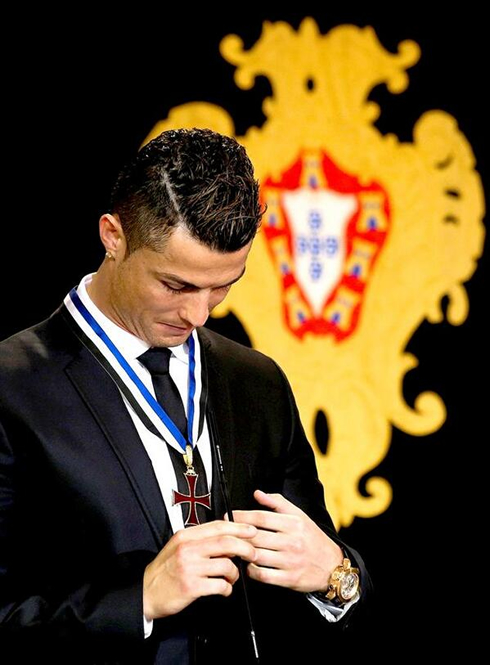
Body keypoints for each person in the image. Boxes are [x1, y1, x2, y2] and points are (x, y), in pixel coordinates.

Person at [0, 128, 370, 664]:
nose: (199, 315)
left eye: (225, 285)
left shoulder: (257, 382)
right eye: (176, 286)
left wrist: (337, 579)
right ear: (113, 236)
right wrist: (140, 601)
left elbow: (320, 584)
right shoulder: (12, 387)